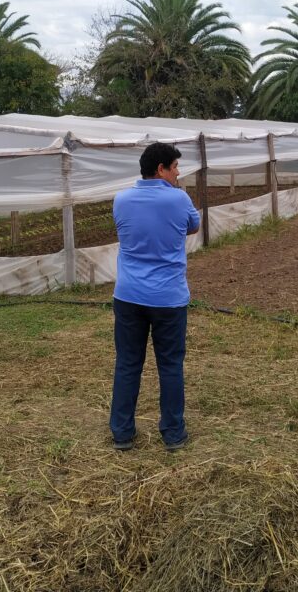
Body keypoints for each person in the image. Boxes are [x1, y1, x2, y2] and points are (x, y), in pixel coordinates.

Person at [109, 142, 200, 451]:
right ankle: (173, 434)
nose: (177, 173)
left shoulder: (121, 199)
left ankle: (122, 432)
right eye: (175, 167)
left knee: (127, 364)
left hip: (128, 296)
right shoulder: (179, 199)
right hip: (168, 299)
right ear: (161, 169)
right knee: (170, 366)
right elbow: (193, 227)